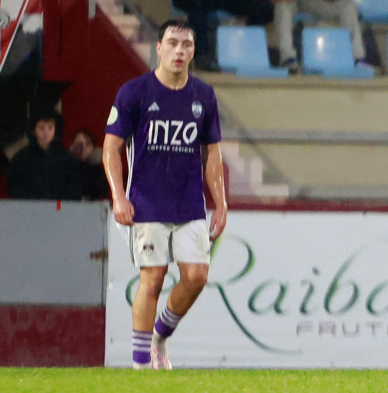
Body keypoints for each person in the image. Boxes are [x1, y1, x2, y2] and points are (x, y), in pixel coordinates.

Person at [103, 19, 228, 370]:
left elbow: (212, 153)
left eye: (186, 45)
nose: (179, 50)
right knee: (153, 278)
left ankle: (160, 334)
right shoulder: (135, 93)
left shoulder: (203, 95)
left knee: (197, 277)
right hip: (146, 202)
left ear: (192, 51)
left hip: (189, 203)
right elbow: (110, 148)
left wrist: (220, 202)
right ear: (158, 47)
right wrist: (118, 196)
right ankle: (142, 365)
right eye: (172, 43)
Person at [6, 110, 80, 200]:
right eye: (41, 128)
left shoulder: (67, 159)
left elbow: (74, 187)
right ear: (34, 130)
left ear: (56, 130)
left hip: (59, 209)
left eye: (50, 127)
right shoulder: (21, 158)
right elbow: (14, 186)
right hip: (29, 208)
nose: (46, 132)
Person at [68, 129, 110, 201]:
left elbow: (102, 191)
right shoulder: (66, 167)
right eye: (79, 144)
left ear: (93, 147)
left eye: (87, 144)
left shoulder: (99, 170)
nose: (84, 148)